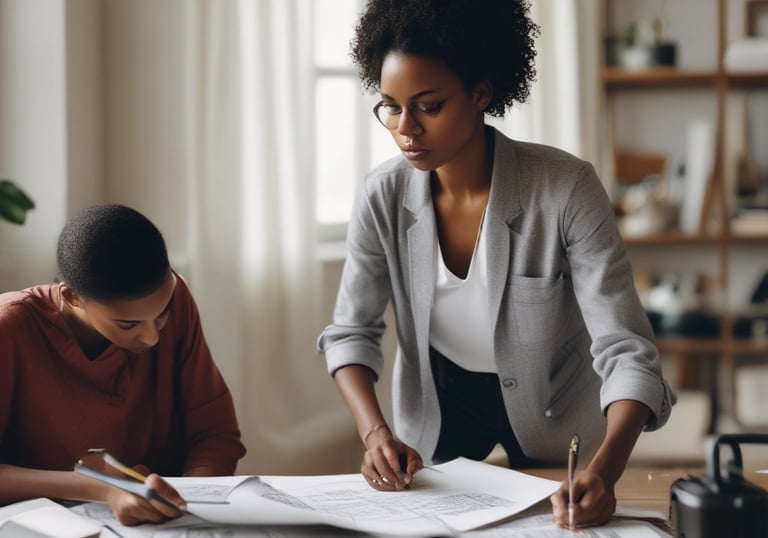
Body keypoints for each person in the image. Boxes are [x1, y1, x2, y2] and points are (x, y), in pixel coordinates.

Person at [317, 0, 676, 528]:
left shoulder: (565, 188)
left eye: (428, 105)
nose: (405, 128)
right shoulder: (382, 196)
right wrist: (375, 434)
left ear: (481, 93)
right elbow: (350, 333)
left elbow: (626, 349)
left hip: (556, 412)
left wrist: (606, 471)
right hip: (437, 408)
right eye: (390, 106)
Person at [0, 203, 246, 526]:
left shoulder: (178, 298)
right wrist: (103, 489)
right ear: (73, 297)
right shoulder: (10, 327)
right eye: (128, 325)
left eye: (162, 313)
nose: (153, 338)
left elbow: (215, 435)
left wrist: (185, 504)